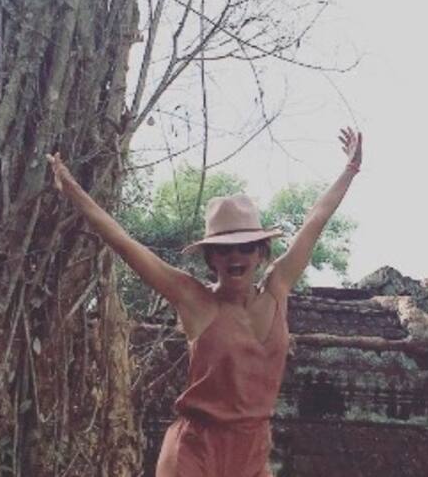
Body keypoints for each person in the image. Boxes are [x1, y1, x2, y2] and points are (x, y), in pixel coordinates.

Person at [46, 127, 363, 477]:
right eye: (224, 250)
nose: (235, 257)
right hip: (196, 451)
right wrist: (71, 188)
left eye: (245, 248)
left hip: (252, 450)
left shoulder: (277, 288)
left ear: (261, 253)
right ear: (211, 258)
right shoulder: (195, 300)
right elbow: (124, 243)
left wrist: (350, 170)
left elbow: (315, 220)